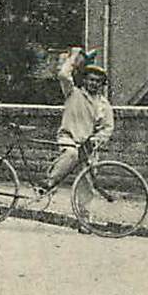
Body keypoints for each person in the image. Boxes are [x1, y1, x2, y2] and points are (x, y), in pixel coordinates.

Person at [38, 47, 113, 196]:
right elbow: (63, 75)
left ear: (102, 84)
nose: (93, 83)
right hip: (69, 138)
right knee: (71, 154)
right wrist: (73, 57)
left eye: (98, 81)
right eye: (91, 80)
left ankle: (84, 217)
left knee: (87, 183)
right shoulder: (73, 93)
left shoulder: (104, 105)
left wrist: (96, 140)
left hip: (87, 146)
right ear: (85, 80)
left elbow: (107, 128)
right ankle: (48, 183)